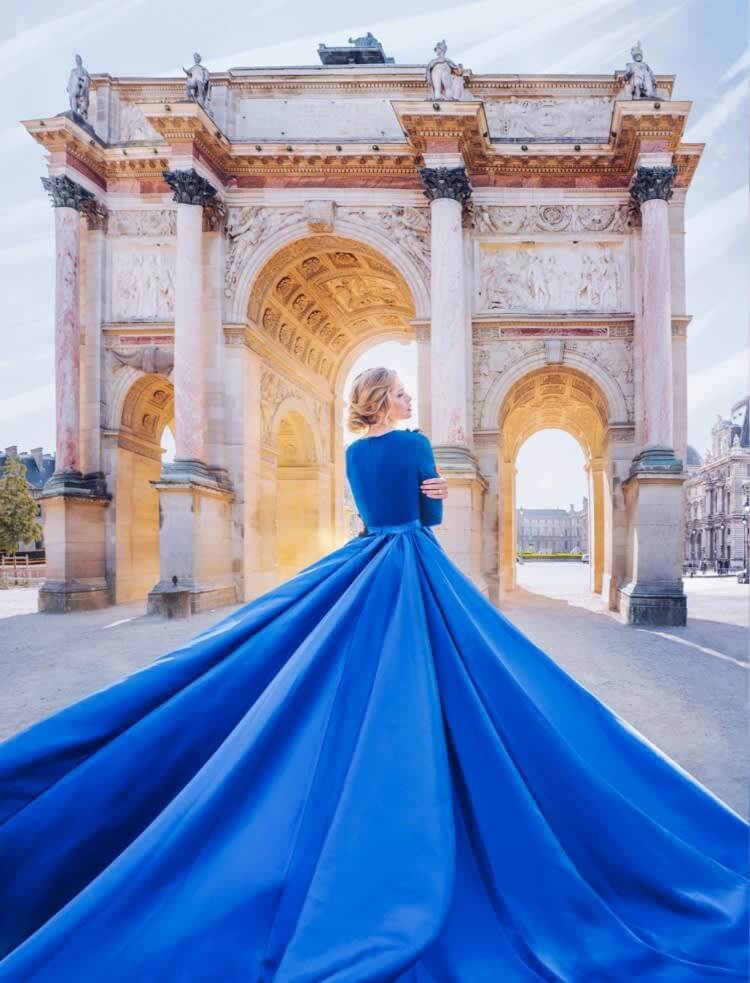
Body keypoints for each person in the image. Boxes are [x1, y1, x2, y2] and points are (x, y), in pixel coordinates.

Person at [0, 366, 747, 980]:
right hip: (415, 567)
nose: (411, 401)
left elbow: (367, 519)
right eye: (402, 393)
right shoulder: (418, 444)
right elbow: (427, 523)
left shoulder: (355, 453)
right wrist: (434, 494)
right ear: (388, 398)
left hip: (365, 566)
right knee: (478, 684)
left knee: (306, 670)